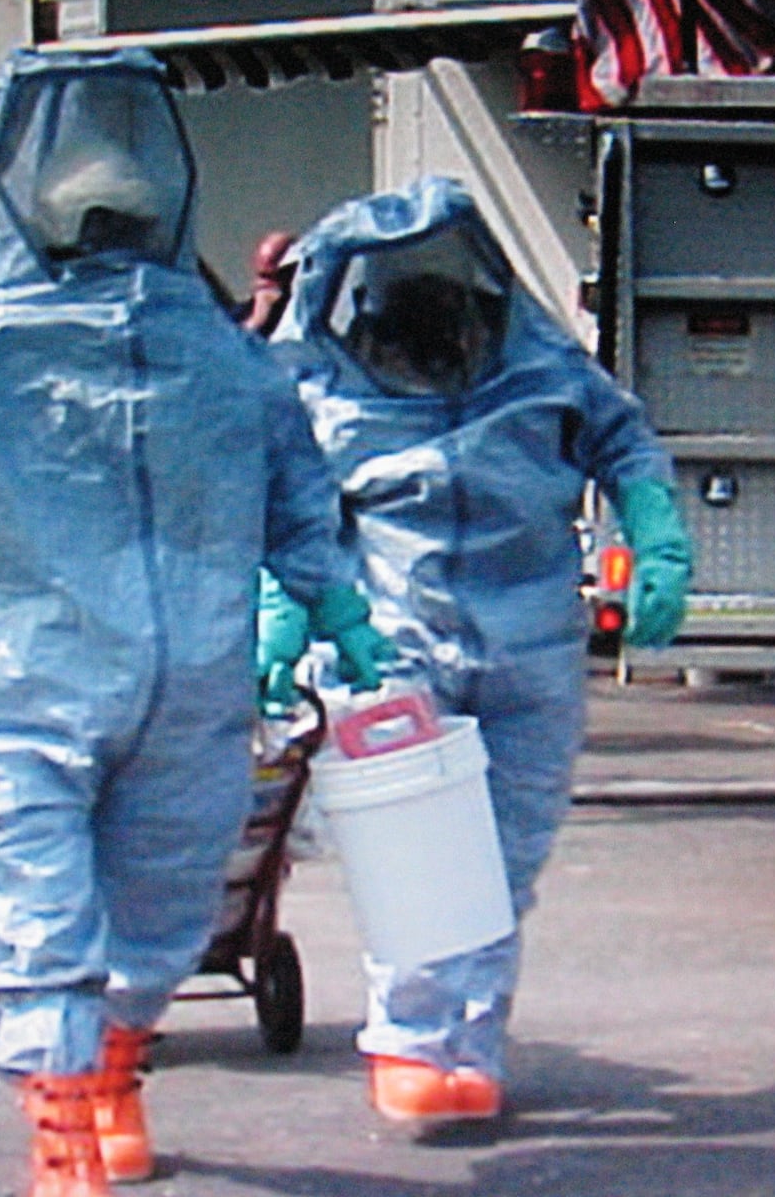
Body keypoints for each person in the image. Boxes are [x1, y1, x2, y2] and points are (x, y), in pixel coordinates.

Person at [0, 49, 390, 1197]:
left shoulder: (205, 349)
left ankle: (110, 1072)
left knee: (166, 908)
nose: (107, 229)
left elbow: (291, 476)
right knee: (40, 909)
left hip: (179, 689)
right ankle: (59, 1121)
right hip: (8, 679)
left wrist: (332, 604)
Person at [259, 175, 693, 1123]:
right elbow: (288, 510)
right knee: (418, 862)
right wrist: (288, 609)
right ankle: (412, 1042)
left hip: (530, 649)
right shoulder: (315, 388)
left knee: (502, 862)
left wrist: (655, 534)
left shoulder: (539, 369)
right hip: (388, 646)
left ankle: (471, 1042)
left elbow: (625, 440)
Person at [234, 230, 297, 337]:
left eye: (271, 277)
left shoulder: (297, 317)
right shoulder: (240, 313)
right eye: (262, 276)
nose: (263, 285)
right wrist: (256, 319)